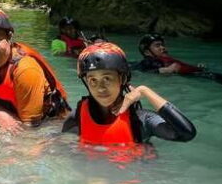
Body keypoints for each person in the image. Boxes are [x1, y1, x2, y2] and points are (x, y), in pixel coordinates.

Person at [62, 42, 196, 146]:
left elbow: (186, 134)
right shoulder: (78, 116)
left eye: (107, 78)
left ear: (122, 79)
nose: (100, 88)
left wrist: (144, 91)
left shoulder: (141, 120)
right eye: (93, 80)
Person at [0, 7, 69, 133]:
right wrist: (0, 115)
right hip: (12, 114)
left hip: (47, 125)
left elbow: (28, 130)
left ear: (9, 37)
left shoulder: (26, 69)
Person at [134, 33, 222, 89]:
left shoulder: (161, 59)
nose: (162, 47)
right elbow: (146, 70)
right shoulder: (148, 61)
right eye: (157, 46)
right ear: (147, 52)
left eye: (162, 45)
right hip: (196, 76)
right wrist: (166, 70)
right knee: (220, 78)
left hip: (197, 74)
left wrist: (197, 67)